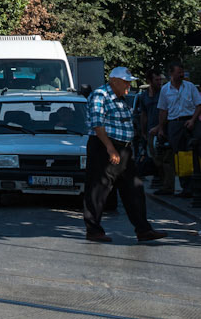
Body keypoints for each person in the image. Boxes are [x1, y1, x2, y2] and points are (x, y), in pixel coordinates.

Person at [85, 66, 165, 243]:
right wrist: (110, 148)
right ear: (114, 81)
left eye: (130, 82)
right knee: (99, 188)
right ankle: (93, 230)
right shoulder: (101, 95)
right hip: (105, 147)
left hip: (124, 149)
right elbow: (98, 125)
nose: (129, 85)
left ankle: (143, 230)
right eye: (126, 82)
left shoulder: (121, 99)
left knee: (134, 188)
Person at [153, 62, 201, 199]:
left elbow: (199, 105)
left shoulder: (190, 87)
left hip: (190, 120)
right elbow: (163, 110)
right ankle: (186, 187)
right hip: (175, 123)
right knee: (180, 155)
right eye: (178, 72)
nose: (181, 74)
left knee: (195, 149)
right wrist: (161, 128)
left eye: (182, 72)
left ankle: (197, 185)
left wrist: (192, 120)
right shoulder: (165, 90)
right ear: (171, 73)